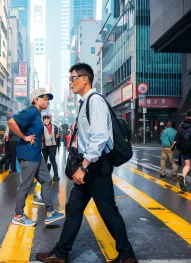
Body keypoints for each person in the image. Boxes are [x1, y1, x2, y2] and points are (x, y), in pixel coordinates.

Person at [36, 63, 136, 263]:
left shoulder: (95, 101)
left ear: (85, 79)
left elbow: (99, 137)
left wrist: (84, 166)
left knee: (108, 211)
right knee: (73, 208)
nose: (71, 82)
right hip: (90, 165)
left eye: (73, 77)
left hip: (95, 167)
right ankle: (61, 253)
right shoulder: (85, 102)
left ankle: (127, 255)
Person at [8, 87, 65, 227]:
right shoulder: (32, 111)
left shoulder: (37, 113)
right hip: (28, 154)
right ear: (36, 100)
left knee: (47, 179)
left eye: (47, 99)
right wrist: (24, 137)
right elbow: (11, 122)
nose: (47, 101)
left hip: (35, 155)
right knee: (25, 186)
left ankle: (50, 212)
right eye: (44, 98)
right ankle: (18, 215)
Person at [42, 115, 60, 181]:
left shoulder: (55, 127)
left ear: (50, 120)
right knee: (45, 161)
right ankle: (46, 175)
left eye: (47, 119)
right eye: (44, 119)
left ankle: (56, 175)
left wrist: (57, 146)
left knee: (52, 160)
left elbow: (58, 136)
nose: (46, 120)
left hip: (53, 146)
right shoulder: (41, 127)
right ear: (43, 120)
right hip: (44, 147)